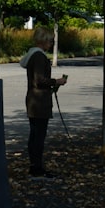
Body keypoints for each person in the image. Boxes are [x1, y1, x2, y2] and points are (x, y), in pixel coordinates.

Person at [20, 27, 68, 178]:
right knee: (38, 136)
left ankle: (35, 166)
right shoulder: (39, 57)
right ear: (44, 41)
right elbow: (39, 80)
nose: (52, 44)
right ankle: (37, 168)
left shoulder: (32, 56)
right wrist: (56, 81)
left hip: (33, 99)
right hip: (39, 101)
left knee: (34, 134)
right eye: (50, 41)